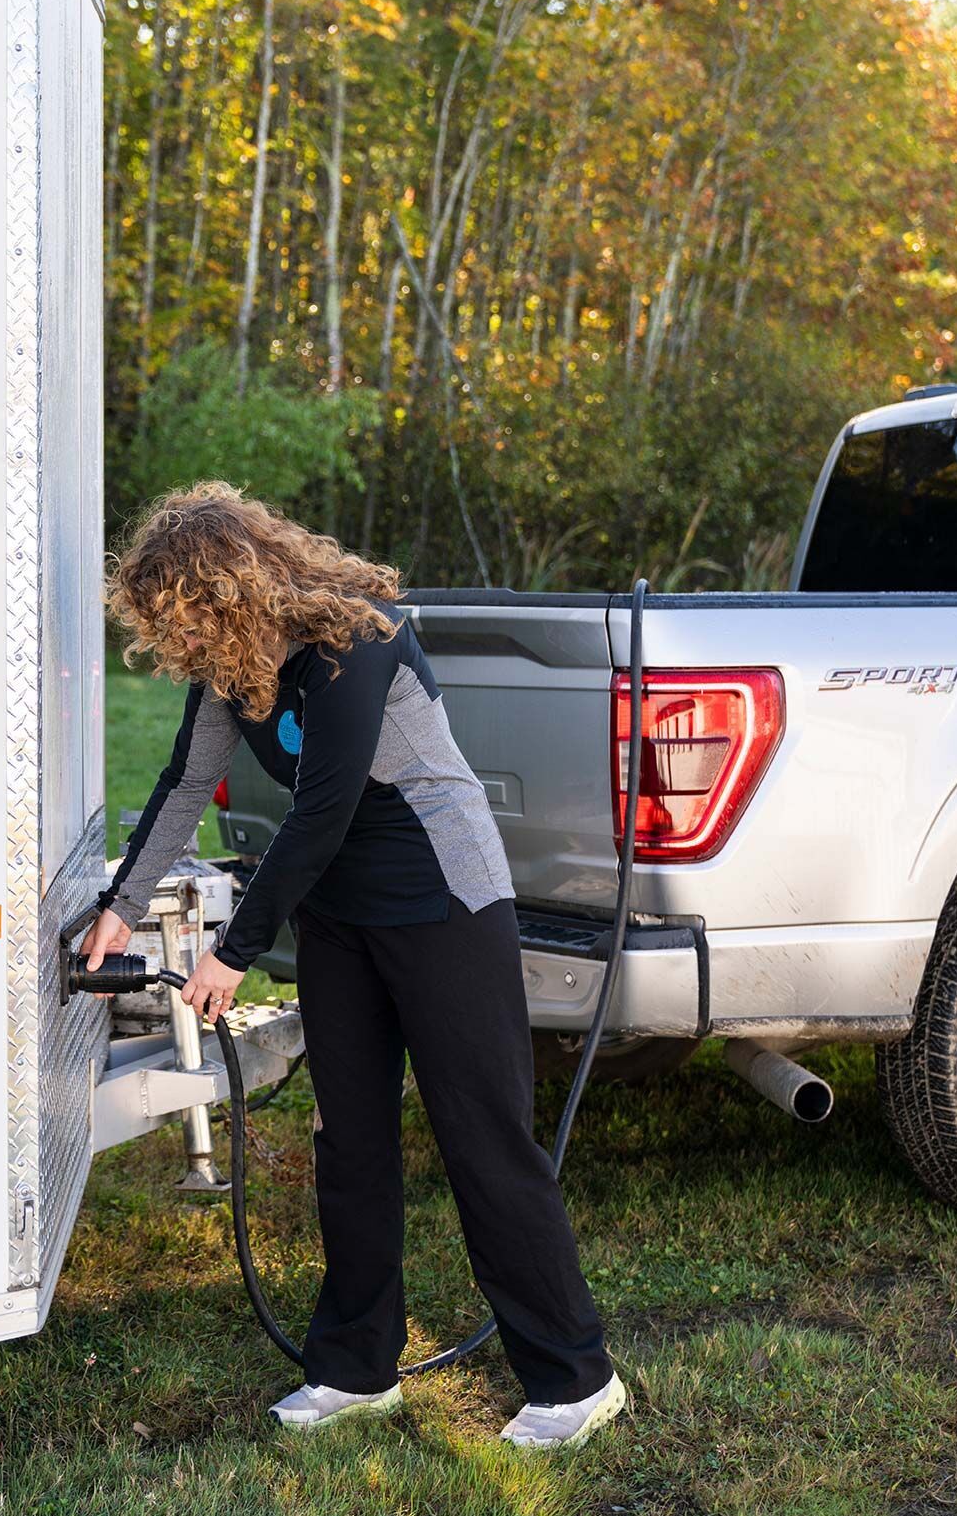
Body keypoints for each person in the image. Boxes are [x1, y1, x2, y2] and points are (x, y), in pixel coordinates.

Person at [81, 481, 626, 1448]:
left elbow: (324, 807)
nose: (181, 644)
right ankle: (356, 1367)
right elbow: (177, 787)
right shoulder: (230, 672)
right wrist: (121, 910)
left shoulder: (356, 644)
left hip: (441, 901)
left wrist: (232, 951)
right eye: (167, 629)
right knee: (351, 1142)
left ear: (231, 589)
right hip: (339, 914)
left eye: (188, 619)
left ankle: (574, 1378)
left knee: (481, 1139)